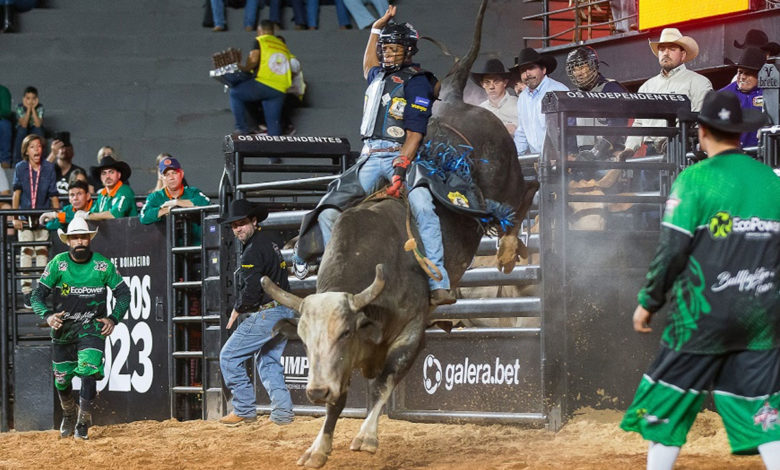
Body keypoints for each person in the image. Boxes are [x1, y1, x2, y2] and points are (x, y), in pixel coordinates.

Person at [620, 90, 779, 470]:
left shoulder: (694, 180)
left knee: (666, 404)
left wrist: (649, 302)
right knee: (766, 411)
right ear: (739, 134)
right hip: (763, 315)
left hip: (702, 315)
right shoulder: (772, 182)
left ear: (702, 132)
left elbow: (672, 250)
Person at [297, 6, 455, 307]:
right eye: (385, 48)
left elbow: (415, 133)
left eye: (394, 48)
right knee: (329, 208)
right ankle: (336, 273)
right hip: (369, 158)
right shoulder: (377, 74)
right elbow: (368, 61)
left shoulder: (418, 81)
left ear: (408, 50)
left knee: (423, 207)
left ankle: (438, 281)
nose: (387, 54)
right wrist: (375, 30)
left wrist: (402, 166)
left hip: (400, 154)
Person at [31, 217, 131, 440]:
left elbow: (123, 293)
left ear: (89, 239)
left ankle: (83, 419)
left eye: (83, 237)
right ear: (68, 241)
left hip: (91, 328)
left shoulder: (102, 265)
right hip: (63, 330)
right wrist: (47, 316)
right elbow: (37, 295)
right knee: (62, 378)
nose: (80, 241)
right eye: (75, 237)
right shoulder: (58, 263)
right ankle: (68, 412)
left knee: (88, 369)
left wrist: (114, 318)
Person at [218, 199, 295, 426]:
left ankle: (243, 409)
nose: (237, 229)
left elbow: (252, 290)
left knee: (229, 357)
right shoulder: (270, 241)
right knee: (268, 361)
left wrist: (238, 308)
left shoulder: (251, 252)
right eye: (234, 226)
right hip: (284, 311)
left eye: (241, 223)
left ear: (253, 221)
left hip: (269, 312)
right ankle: (282, 414)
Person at [624, 28, 713, 153]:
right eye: (662, 49)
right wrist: (629, 149)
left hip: (683, 148)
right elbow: (638, 123)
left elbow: (702, 119)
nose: (666, 53)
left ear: (683, 54)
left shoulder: (699, 83)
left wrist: (680, 139)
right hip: (652, 151)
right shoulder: (647, 87)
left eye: (672, 49)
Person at [12, 134, 60, 307]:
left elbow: (53, 194)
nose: (37, 149)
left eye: (39, 146)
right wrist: (15, 217)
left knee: (42, 253)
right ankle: (27, 292)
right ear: (26, 150)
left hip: (42, 217)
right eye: (32, 147)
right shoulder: (20, 167)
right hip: (25, 219)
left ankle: (41, 291)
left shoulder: (48, 167)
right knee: (25, 252)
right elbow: (16, 193)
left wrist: (57, 216)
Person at [229, 20, 298, 136]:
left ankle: (241, 128)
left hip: (264, 83)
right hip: (280, 89)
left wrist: (244, 68)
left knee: (235, 93)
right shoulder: (282, 45)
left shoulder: (261, 40)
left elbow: (254, 60)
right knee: (273, 126)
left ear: (260, 30)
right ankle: (274, 154)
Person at [510, 47, 569, 156]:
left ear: (543, 70)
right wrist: (513, 157)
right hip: (537, 161)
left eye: (531, 68)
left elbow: (569, 130)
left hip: (561, 159)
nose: (527, 74)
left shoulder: (558, 90)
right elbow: (522, 132)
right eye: (523, 70)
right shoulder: (523, 98)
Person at [139, 156, 210, 224]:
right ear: (162, 177)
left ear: (181, 174)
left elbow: (206, 202)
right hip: (167, 236)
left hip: (193, 236)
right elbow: (143, 216)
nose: (171, 178)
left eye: (174, 173)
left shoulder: (192, 192)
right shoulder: (155, 196)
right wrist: (169, 209)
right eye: (167, 174)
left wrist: (177, 202)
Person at [719, 47, 767, 149]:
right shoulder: (724, 95)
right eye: (740, 72)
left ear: (761, 75)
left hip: (765, 156)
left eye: (748, 73)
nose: (742, 77)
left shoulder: (770, 93)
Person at [470, 57, 518, 135]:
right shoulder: (480, 110)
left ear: (505, 83)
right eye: (487, 82)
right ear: (482, 84)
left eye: (496, 82)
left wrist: (516, 129)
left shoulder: (519, 105)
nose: (491, 87)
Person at [87, 156, 137, 220]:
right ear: (100, 177)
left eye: (111, 172)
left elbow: (114, 215)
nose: (107, 176)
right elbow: (93, 213)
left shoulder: (125, 191)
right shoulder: (102, 195)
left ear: (119, 175)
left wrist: (87, 216)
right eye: (104, 173)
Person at [45, 131, 89, 197]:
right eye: (60, 147)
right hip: (52, 205)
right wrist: (53, 153)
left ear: (72, 151)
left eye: (66, 147)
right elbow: (39, 174)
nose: (63, 150)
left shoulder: (78, 171)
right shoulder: (50, 169)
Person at [13, 86, 44, 165]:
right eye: (28, 98)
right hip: (23, 128)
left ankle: (39, 159)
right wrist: (28, 109)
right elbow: (24, 124)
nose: (30, 101)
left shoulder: (40, 107)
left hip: (34, 128)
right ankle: (18, 160)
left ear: (37, 99)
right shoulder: (19, 107)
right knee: (22, 131)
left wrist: (33, 109)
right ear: (24, 99)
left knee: (38, 131)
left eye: (33, 99)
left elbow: (38, 124)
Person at [0, 84, 12, 168]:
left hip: (1, 120)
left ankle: (5, 159)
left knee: (5, 125)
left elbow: (6, 111)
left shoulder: (3, 91)